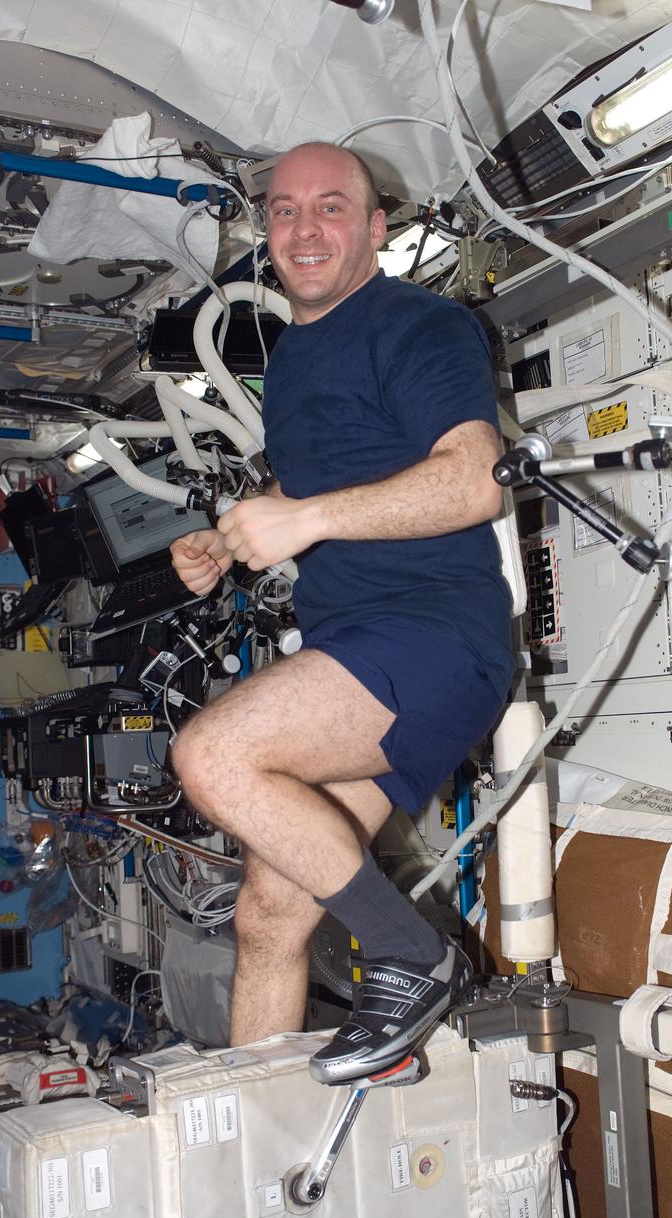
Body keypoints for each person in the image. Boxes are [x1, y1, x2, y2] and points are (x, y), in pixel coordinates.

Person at [169, 141, 514, 1085]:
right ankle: (254, 1134)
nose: (304, 227)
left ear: (375, 228)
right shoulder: (291, 361)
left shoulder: (420, 324)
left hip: (432, 638)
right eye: (283, 210)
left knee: (214, 756)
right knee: (268, 917)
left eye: (331, 206)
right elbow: (323, 488)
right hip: (356, 643)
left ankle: (413, 955)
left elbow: (473, 481)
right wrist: (231, 541)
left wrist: (307, 519)